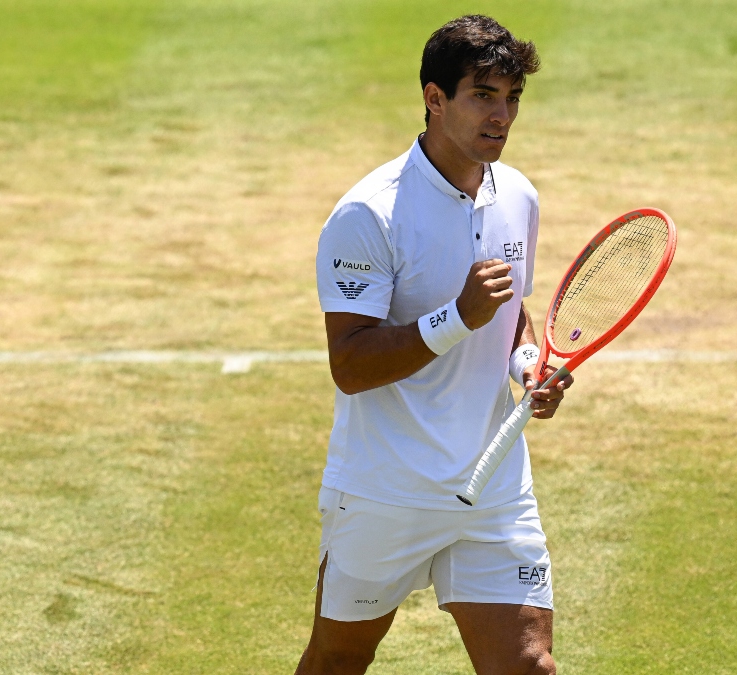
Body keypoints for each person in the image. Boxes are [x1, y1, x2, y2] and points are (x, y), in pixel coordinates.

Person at [299, 14, 573, 675]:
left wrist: (528, 364)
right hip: (386, 489)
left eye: (512, 98)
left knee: (530, 665)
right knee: (340, 657)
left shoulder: (521, 198)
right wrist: (455, 316)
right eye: (484, 94)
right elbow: (352, 364)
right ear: (434, 98)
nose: (502, 115)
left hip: (493, 488)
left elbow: (511, 317)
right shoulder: (369, 214)